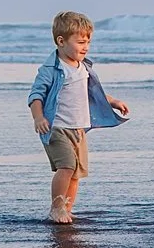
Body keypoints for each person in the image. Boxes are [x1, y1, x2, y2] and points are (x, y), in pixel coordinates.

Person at [28, 11, 130, 224]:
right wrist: (38, 118)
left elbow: (91, 92)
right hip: (56, 128)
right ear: (61, 41)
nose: (86, 47)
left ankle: (67, 209)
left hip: (79, 129)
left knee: (76, 174)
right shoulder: (51, 69)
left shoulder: (83, 67)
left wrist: (113, 101)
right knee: (66, 167)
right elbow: (36, 95)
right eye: (81, 42)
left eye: (88, 42)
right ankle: (56, 208)